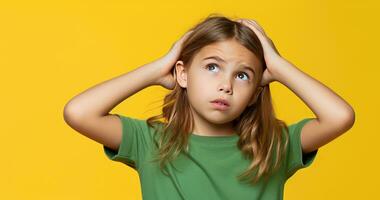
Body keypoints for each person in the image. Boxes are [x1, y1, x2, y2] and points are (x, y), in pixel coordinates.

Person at [63, 14, 355, 200]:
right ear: (182, 73)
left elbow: (340, 116)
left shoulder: (273, 147)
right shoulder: (151, 142)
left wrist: (278, 66)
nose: (226, 85)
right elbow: (79, 112)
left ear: (255, 93)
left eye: (242, 76)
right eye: (213, 67)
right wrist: (157, 70)